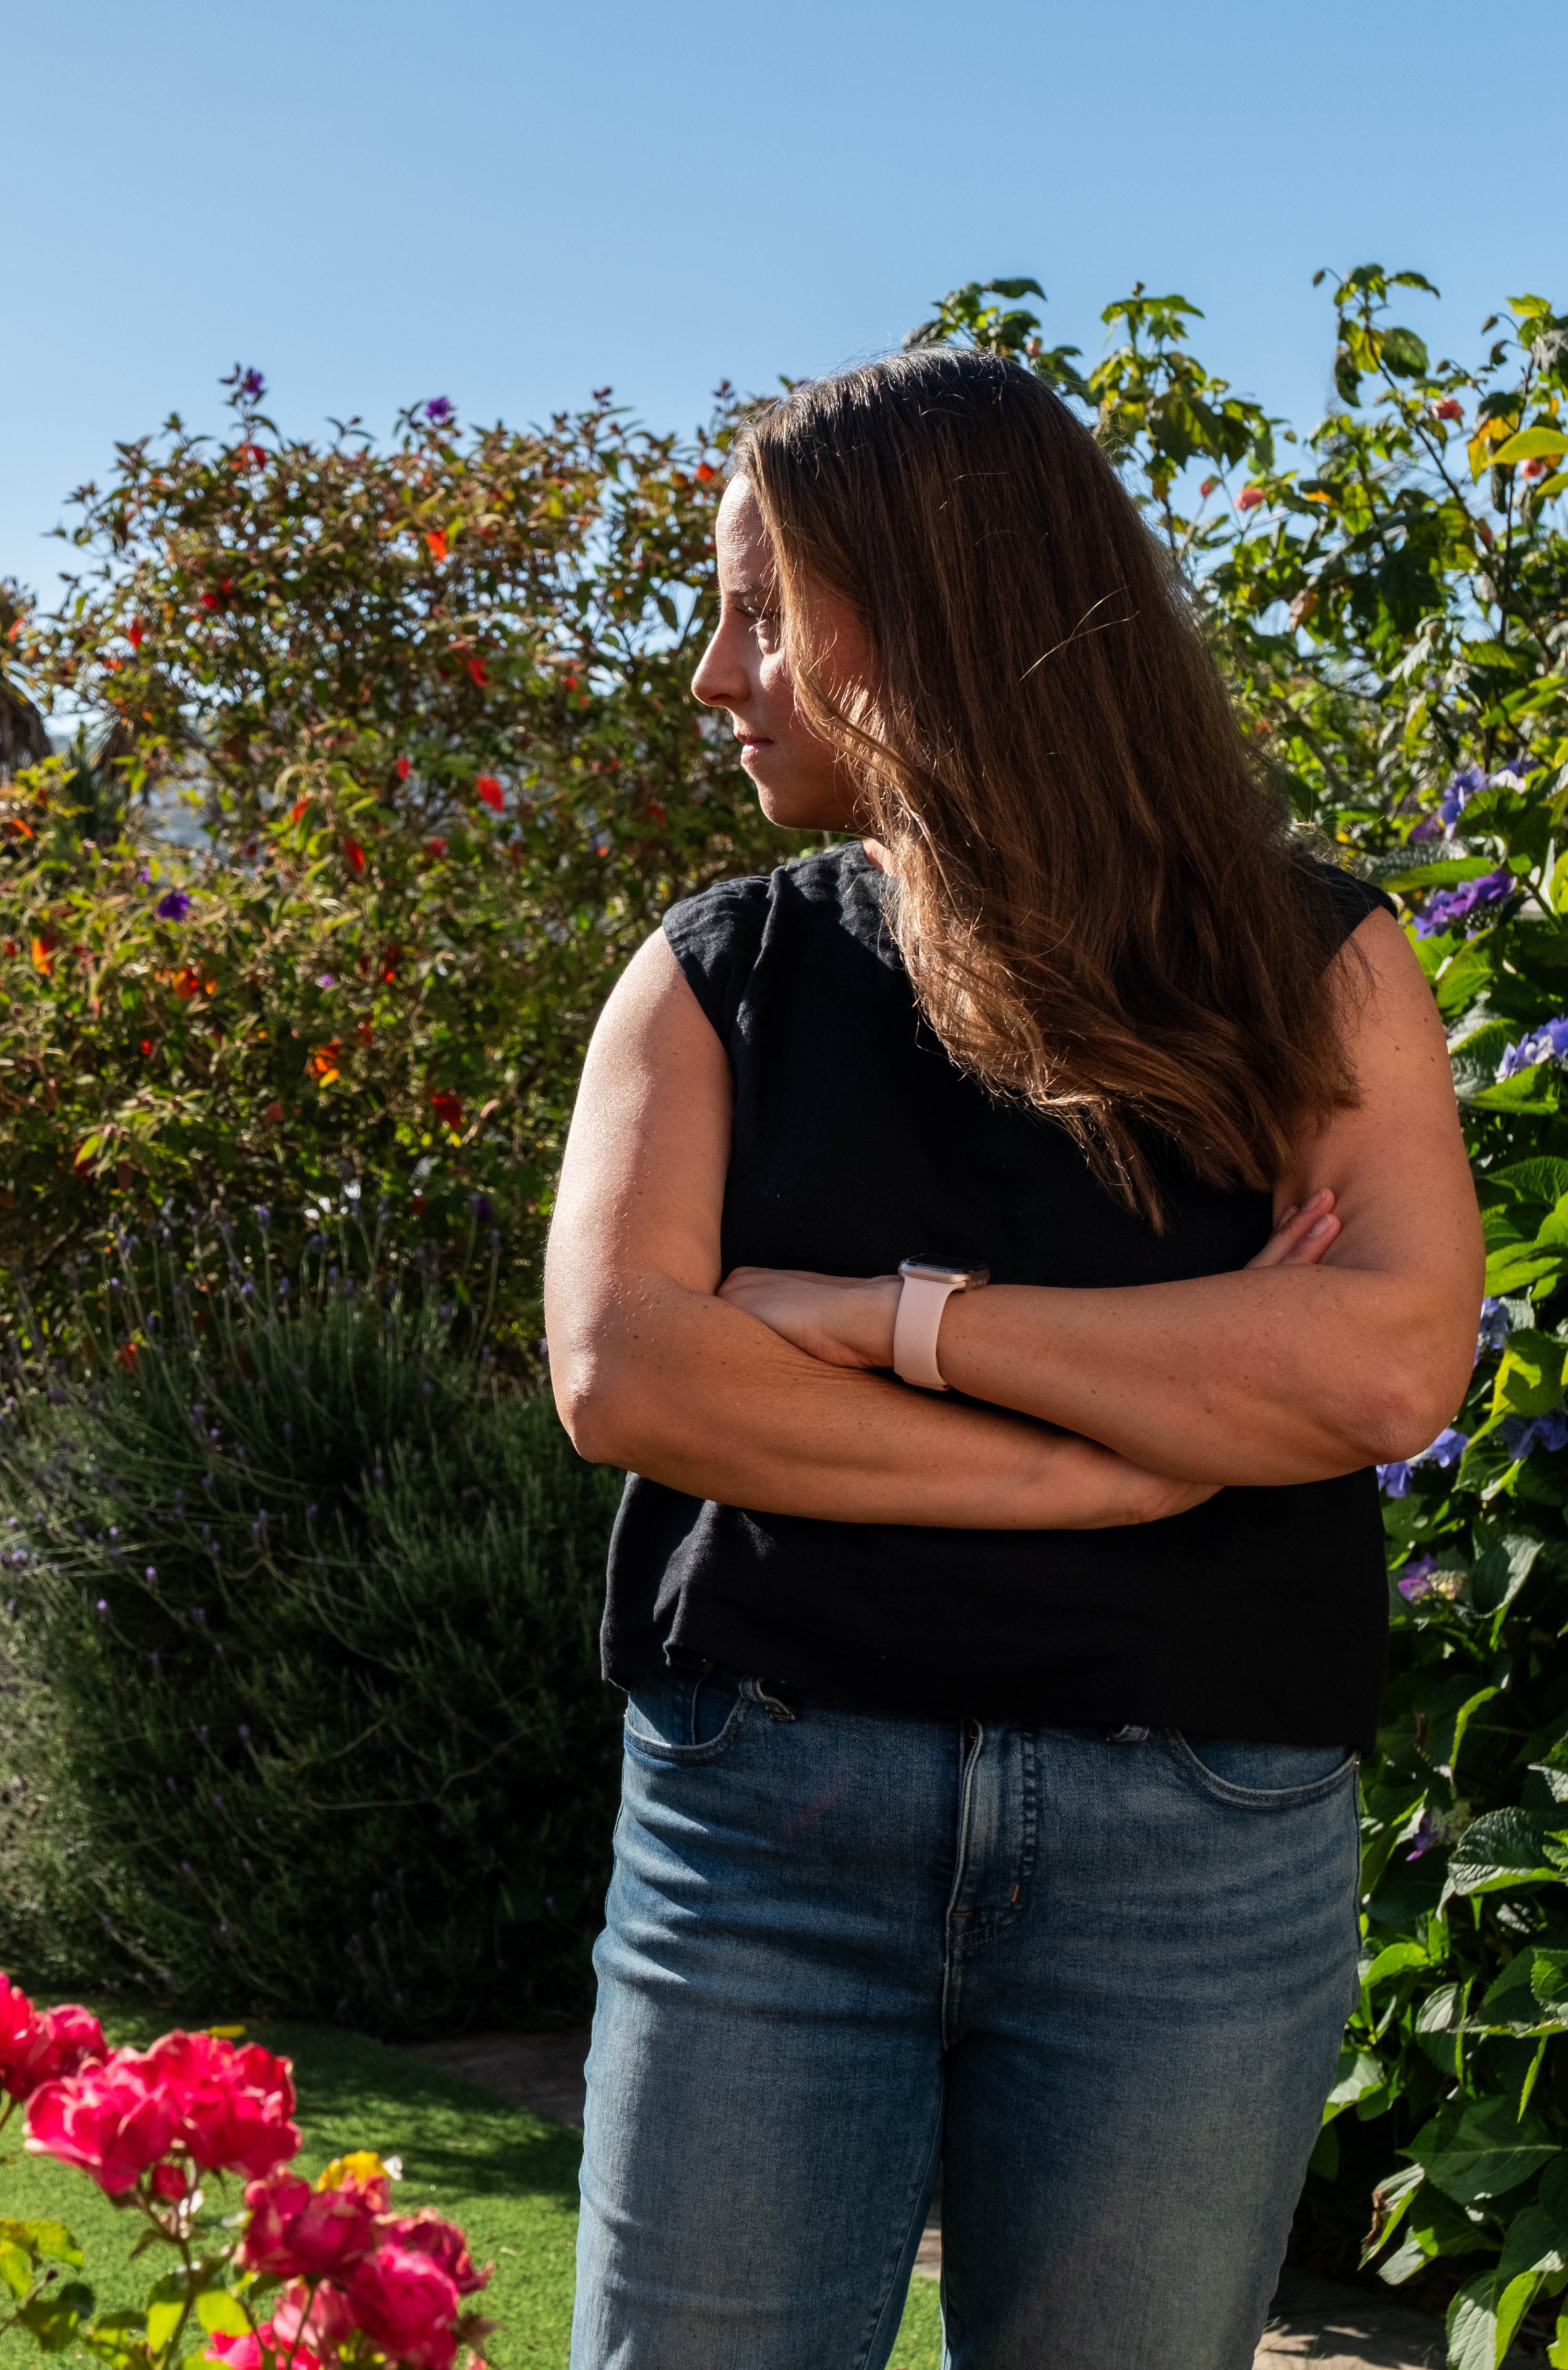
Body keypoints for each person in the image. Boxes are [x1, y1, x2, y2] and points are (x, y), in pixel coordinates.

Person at [544, 349, 1483, 2370]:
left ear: (923, 616)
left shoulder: (1313, 958)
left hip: (1199, 1850)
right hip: (766, 1821)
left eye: (758, 609)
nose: (717, 675)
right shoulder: (721, 975)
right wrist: (1120, 1450)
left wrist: (896, 1327)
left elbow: (1387, 1365)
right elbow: (633, 1374)